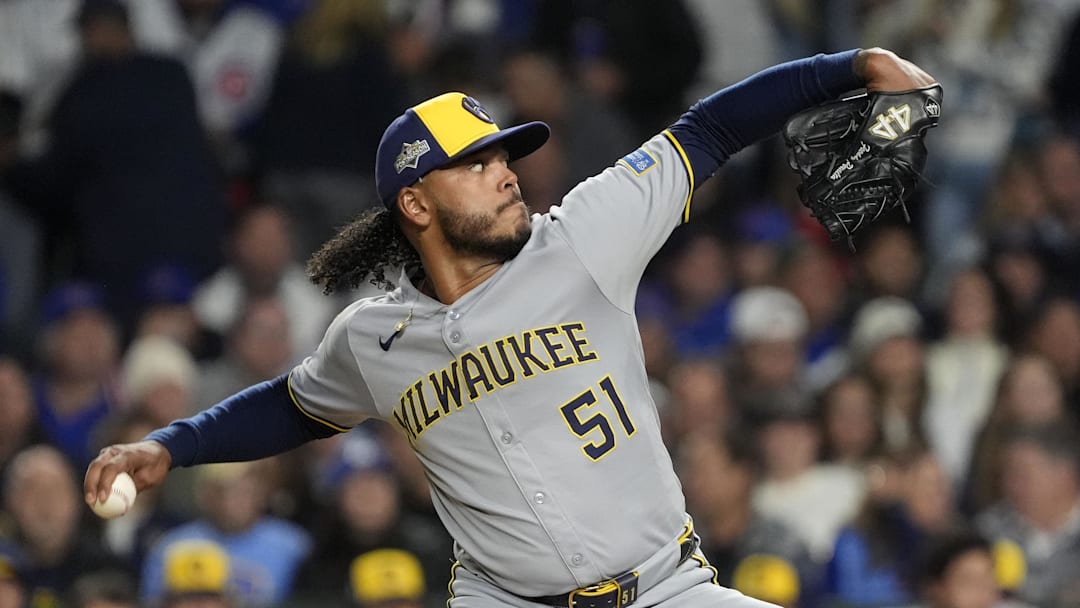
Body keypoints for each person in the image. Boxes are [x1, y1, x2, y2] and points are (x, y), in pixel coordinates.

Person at [86, 47, 938, 607]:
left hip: (665, 589)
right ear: (415, 202)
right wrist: (173, 445)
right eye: (476, 163)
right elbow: (293, 407)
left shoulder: (583, 236)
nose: (505, 173)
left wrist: (852, 64)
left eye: (503, 154)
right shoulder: (371, 339)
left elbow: (707, 128)